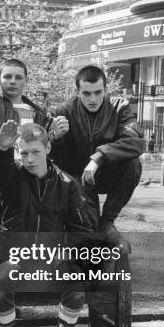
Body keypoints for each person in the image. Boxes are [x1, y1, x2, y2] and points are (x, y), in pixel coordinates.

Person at [0, 121, 94, 327]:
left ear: (47, 148)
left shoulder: (67, 184)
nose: (30, 159)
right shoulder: (13, 177)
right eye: (23, 153)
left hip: (53, 262)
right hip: (18, 260)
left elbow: (81, 231)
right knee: (0, 282)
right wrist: (0, 148)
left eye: (36, 152)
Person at [0, 58, 64, 283]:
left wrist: (56, 135)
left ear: (25, 80)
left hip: (27, 173)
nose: (12, 82)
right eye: (7, 76)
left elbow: (44, 146)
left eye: (18, 77)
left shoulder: (38, 112)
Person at [51, 65, 143, 241]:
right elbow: (55, 158)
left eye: (98, 92)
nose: (93, 99)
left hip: (108, 173)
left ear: (106, 90)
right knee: (90, 233)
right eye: (86, 93)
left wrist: (99, 157)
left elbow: (136, 142)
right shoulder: (65, 110)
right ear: (78, 91)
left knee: (134, 164)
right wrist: (56, 138)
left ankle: (108, 222)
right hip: (77, 176)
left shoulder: (120, 107)